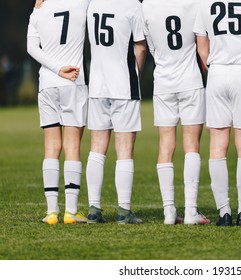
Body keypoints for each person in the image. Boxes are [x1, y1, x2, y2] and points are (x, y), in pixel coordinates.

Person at [194, 0, 241, 226]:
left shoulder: (204, 3)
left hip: (218, 74)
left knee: (217, 145)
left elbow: (201, 47)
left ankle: (224, 212)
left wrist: (215, 67)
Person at [142, 0, 210, 225]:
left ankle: (169, 211)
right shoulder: (195, 4)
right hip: (190, 81)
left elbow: (150, 46)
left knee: (165, 145)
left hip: (163, 82)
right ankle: (191, 211)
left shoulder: (148, 6)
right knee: (192, 145)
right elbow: (202, 45)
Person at [27, 0, 90, 224]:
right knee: (72, 146)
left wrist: (55, 69)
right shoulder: (82, 3)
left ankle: (52, 212)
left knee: (51, 147)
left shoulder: (39, 8)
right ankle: (71, 212)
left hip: (48, 83)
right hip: (74, 80)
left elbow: (31, 48)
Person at [85, 0, 147, 224]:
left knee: (96, 149)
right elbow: (140, 47)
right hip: (124, 86)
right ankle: (124, 210)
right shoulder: (132, 5)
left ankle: (93, 208)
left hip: (97, 86)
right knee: (125, 149)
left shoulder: (92, 4)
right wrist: (135, 76)